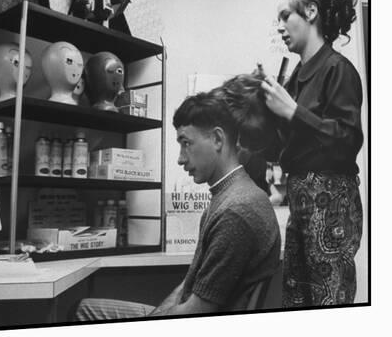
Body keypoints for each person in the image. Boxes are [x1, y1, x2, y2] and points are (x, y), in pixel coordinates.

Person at [74, 80, 281, 321]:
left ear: (217, 139)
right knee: (84, 307)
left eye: (186, 143)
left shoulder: (236, 211)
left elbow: (194, 312)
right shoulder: (230, 196)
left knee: (82, 313)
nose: (180, 159)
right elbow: (187, 286)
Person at [260, 0, 364, 307]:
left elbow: (348, 138)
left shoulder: (339, 69)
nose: (280, 27)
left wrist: (292, 111)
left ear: (311, 12)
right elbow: (283, 143)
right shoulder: (296, 77)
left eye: (285, 16)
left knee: (328, 301)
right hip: (301, 196)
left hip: (331, 200)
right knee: (297, 298)